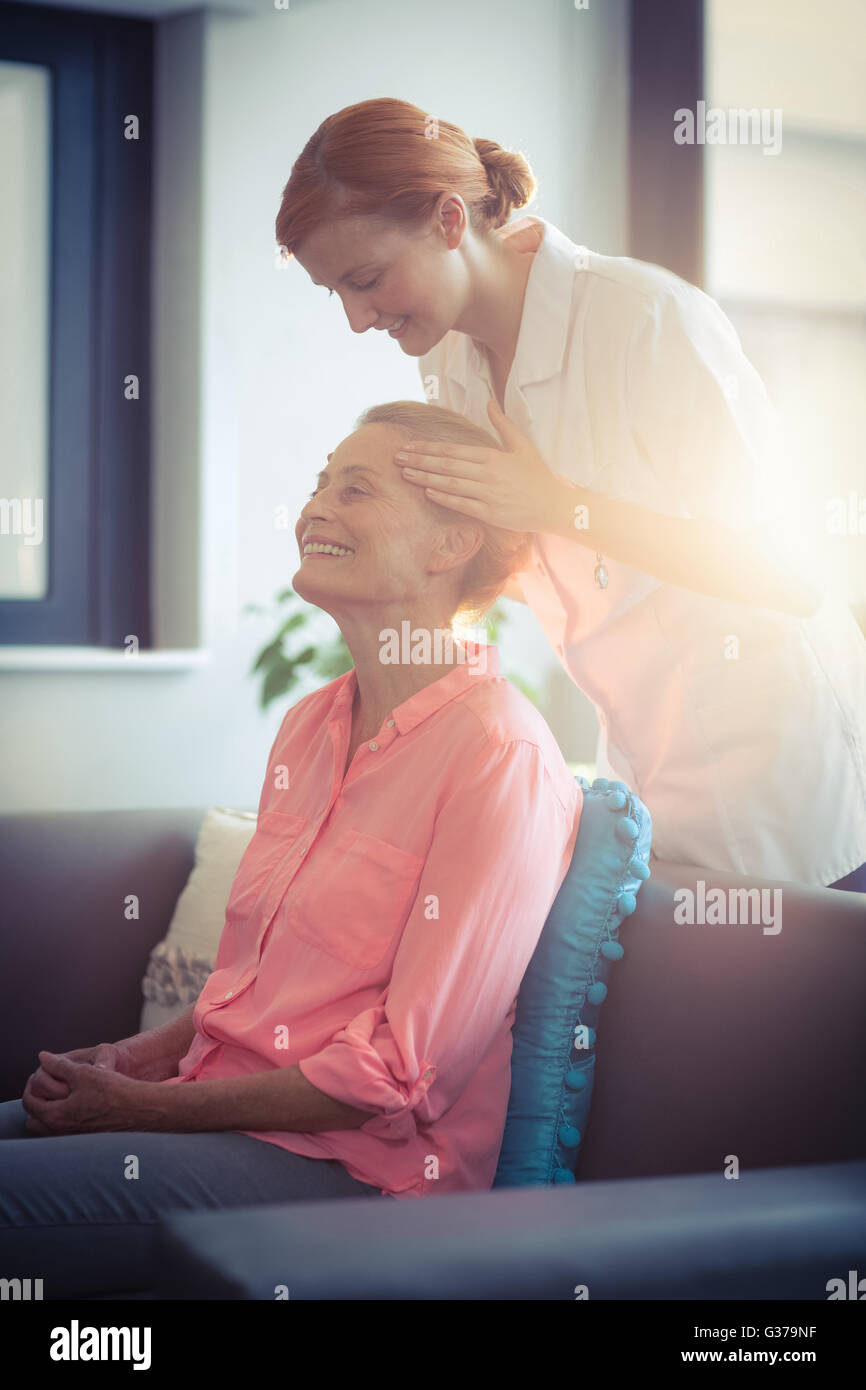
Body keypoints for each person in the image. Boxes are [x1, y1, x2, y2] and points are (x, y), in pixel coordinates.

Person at [0, 401, 581, 1298]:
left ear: (448, 546)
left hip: (358, 1176)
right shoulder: (313, 724)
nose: (314, 508)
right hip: (218, 1121)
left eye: (355, 488)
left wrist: (149, 1111)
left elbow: (401, 1075)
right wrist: (134, 1060)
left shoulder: (501, 755)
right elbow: (256, 989)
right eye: (317, 484)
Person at [277, 97, 866, 890]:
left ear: (451, 219)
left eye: (367, 279)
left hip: (785, 783)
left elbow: (785, 577)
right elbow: (523, 570)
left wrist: (558, 504)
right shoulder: (447, 362)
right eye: (335, 293)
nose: (355, 319)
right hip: (646, 770)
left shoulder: (648, 321)